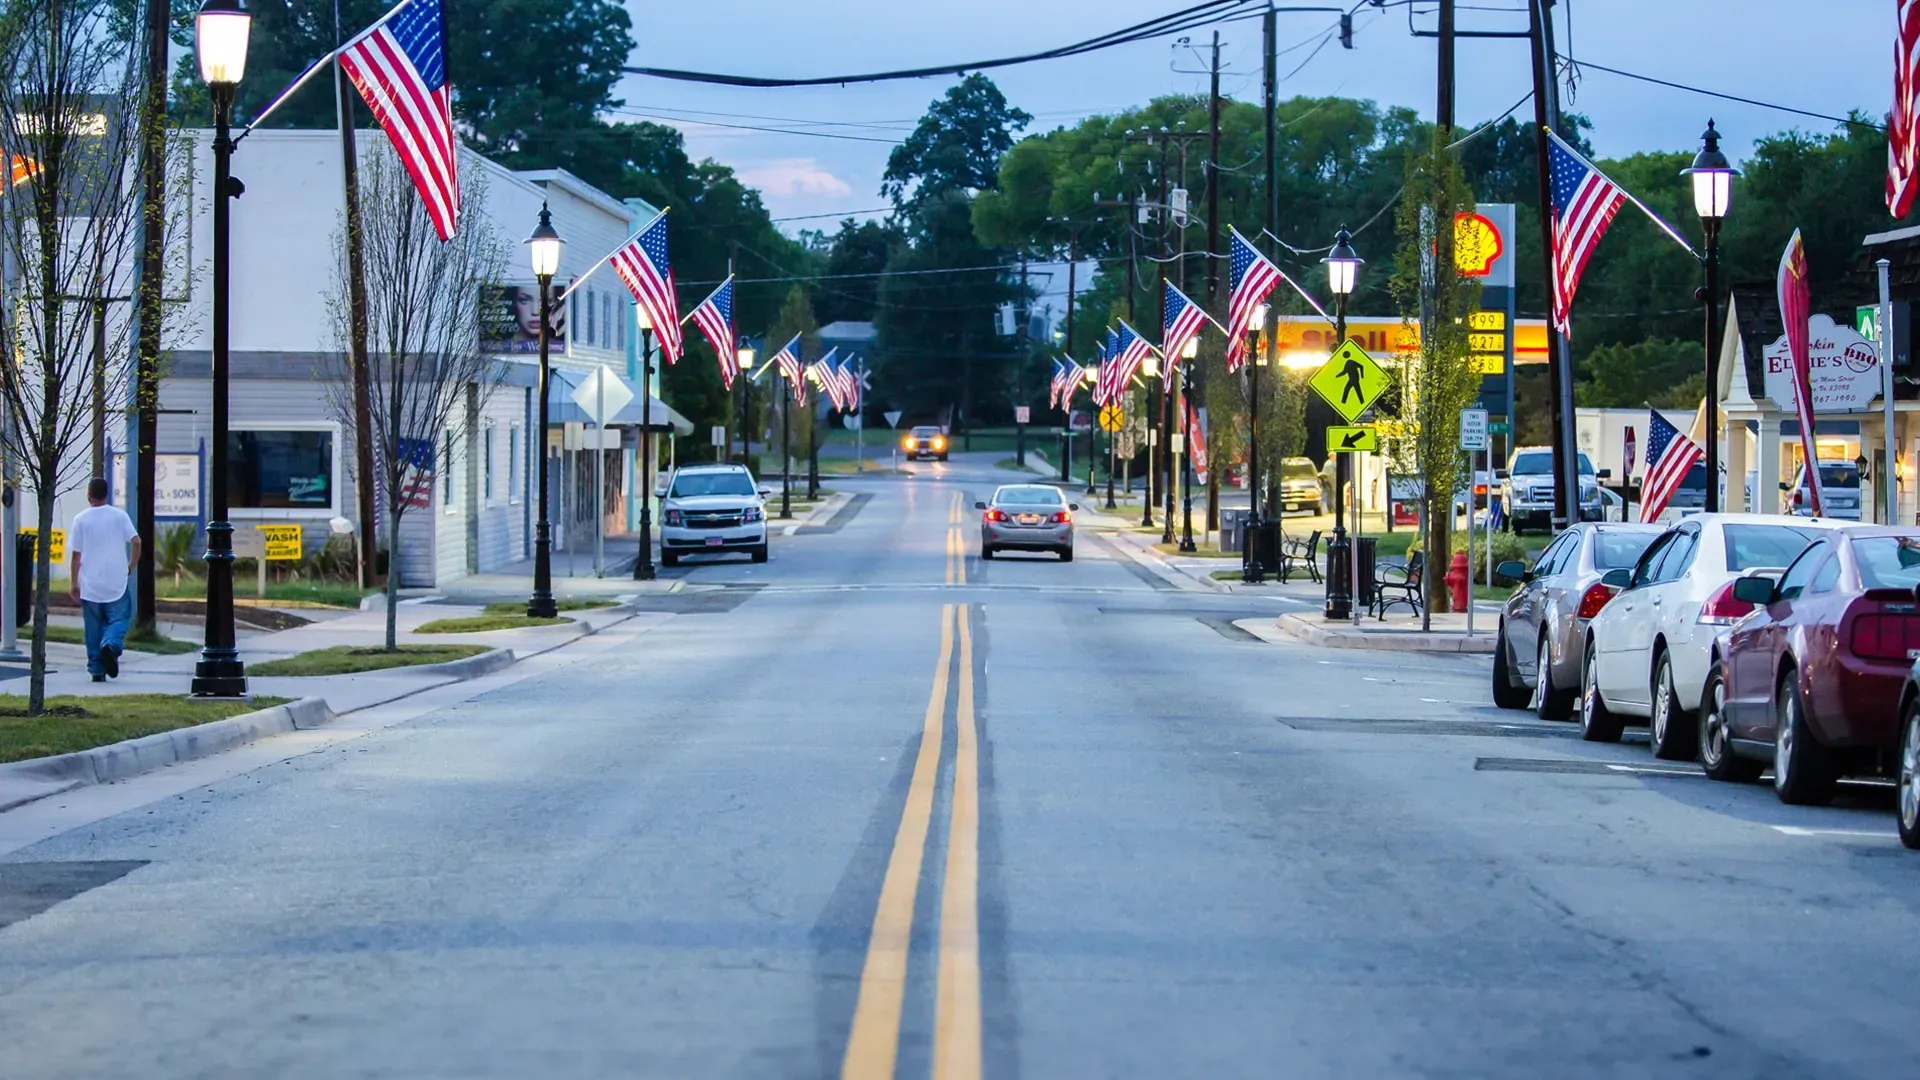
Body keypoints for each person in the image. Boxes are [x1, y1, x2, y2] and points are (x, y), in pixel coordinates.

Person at [68, 477, 141, 682]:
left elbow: (76, 555)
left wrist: (74, 582)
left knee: (93, 628)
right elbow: (136, 541)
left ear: (88, 495)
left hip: (91, 584)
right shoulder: (119, 516)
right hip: (116, 581)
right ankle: (110, 645)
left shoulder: (80, 519)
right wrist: (132, 565)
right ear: (106, 494)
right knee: (119, 619)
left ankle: (97, 670)